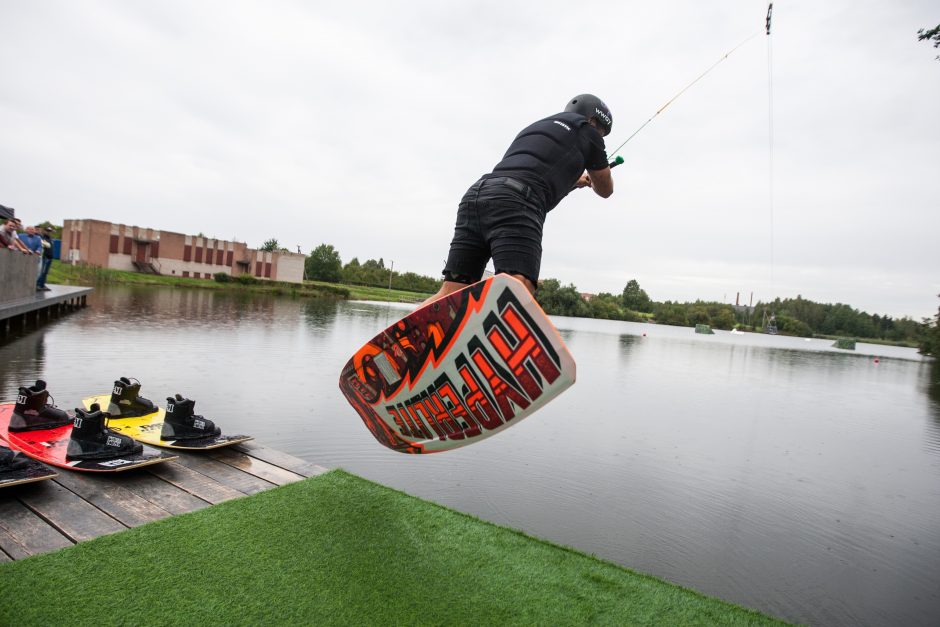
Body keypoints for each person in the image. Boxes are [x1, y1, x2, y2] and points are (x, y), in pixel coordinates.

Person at [426, 94, 615, 303]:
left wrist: (574, 180)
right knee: (517, 290)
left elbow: (533, 169)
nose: (600, 136)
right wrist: (594, 178)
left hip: (476, 196)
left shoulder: (538, 126)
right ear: (593, 120)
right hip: (516, 201)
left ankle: (400, 336)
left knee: (451, 295)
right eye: (601, 131)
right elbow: (605, 189)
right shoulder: (588, 131)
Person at [36, 226, 55, 291]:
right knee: (42, 271)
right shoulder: (41, 237)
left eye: (50, 231)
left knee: (45, 272)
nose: (48, 232)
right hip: (44, 257)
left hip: (50, 257)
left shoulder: (50, 239)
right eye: (47, 231)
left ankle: (42, 285)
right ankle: (38, 285)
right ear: (44, 231)